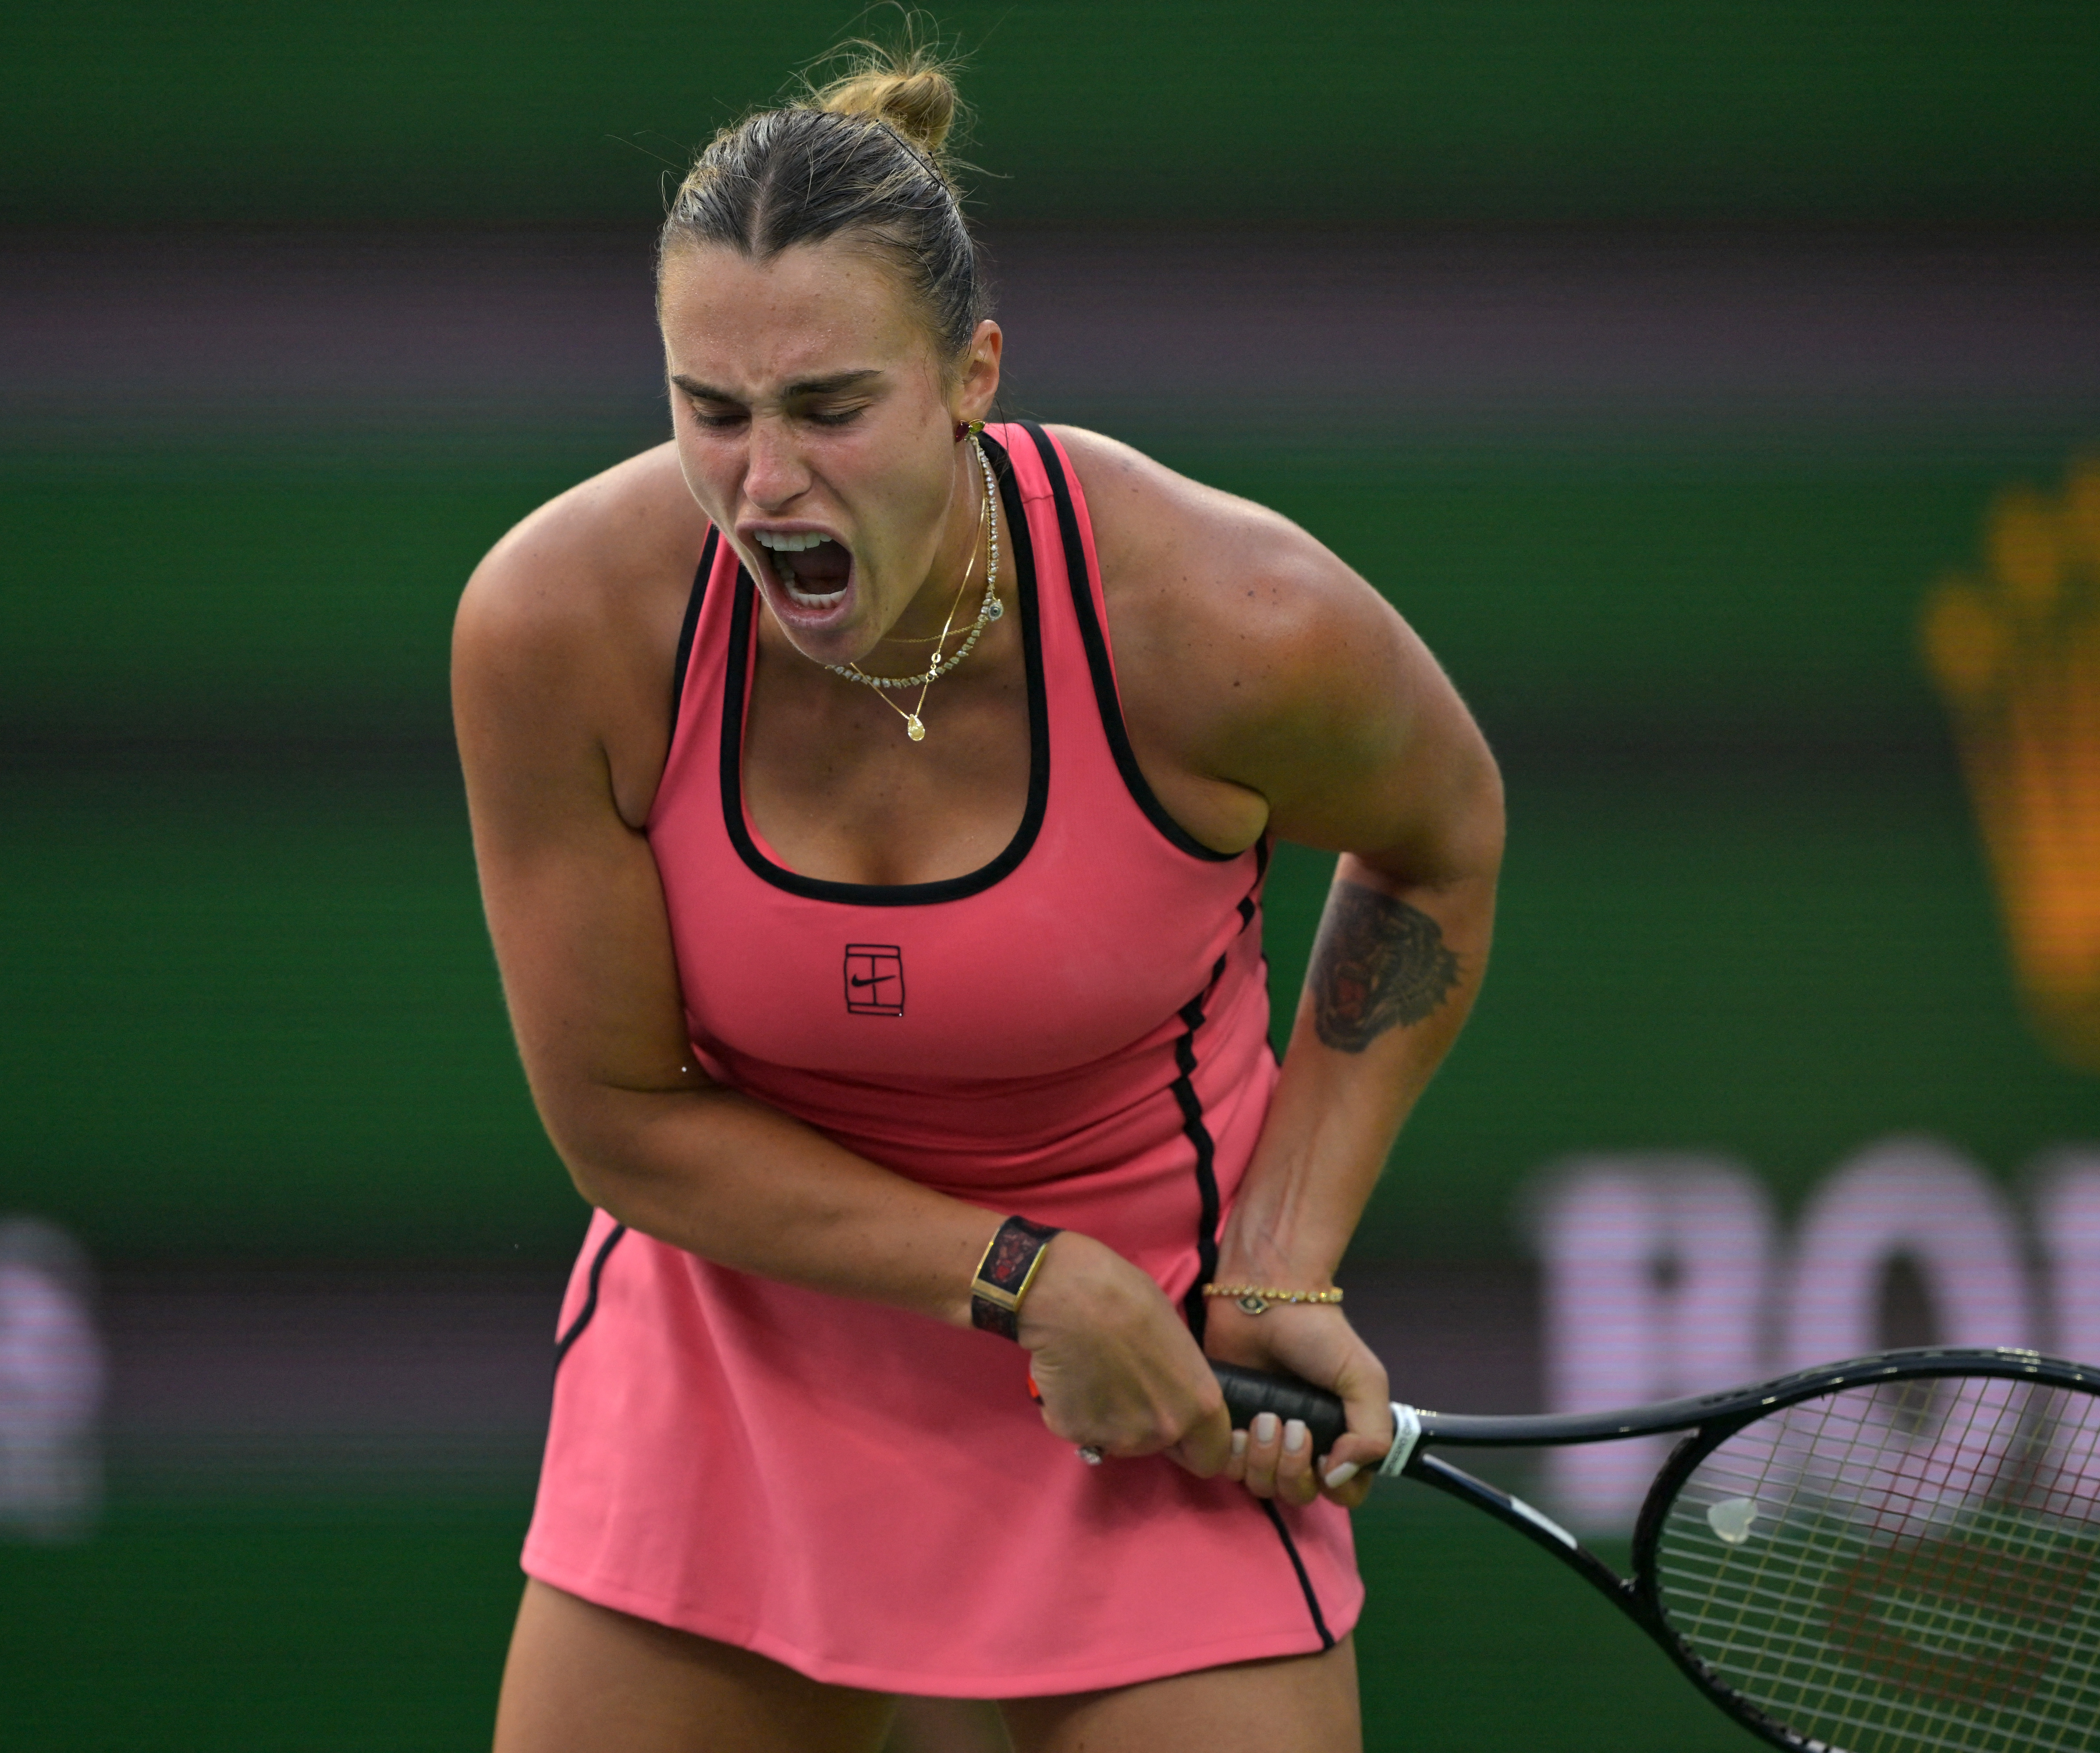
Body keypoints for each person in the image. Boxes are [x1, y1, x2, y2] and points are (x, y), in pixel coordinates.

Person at [453, 38, 1503, 1753]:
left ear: (971, 377)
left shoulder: (1228, 622)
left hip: (1156, 1370)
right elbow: (624, 1123)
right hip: (741, 1365)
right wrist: (1024, 1278)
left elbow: (1441, 837)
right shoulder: (557, 627)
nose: (761, 482)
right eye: (709, 411)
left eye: (827, 408)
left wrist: (1283, 1268)